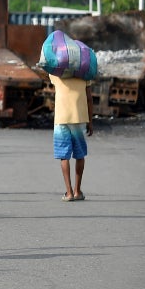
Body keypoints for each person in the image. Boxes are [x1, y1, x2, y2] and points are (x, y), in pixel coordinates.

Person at [49, 74, 94, 202]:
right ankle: (77, 191)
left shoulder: (56, 73)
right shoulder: (84, 73)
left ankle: (69, 193)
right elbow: (89, 98)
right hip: (79, 118)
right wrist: (90, 121)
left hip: (61, 118)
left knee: (64, 155)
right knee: (79, 155)